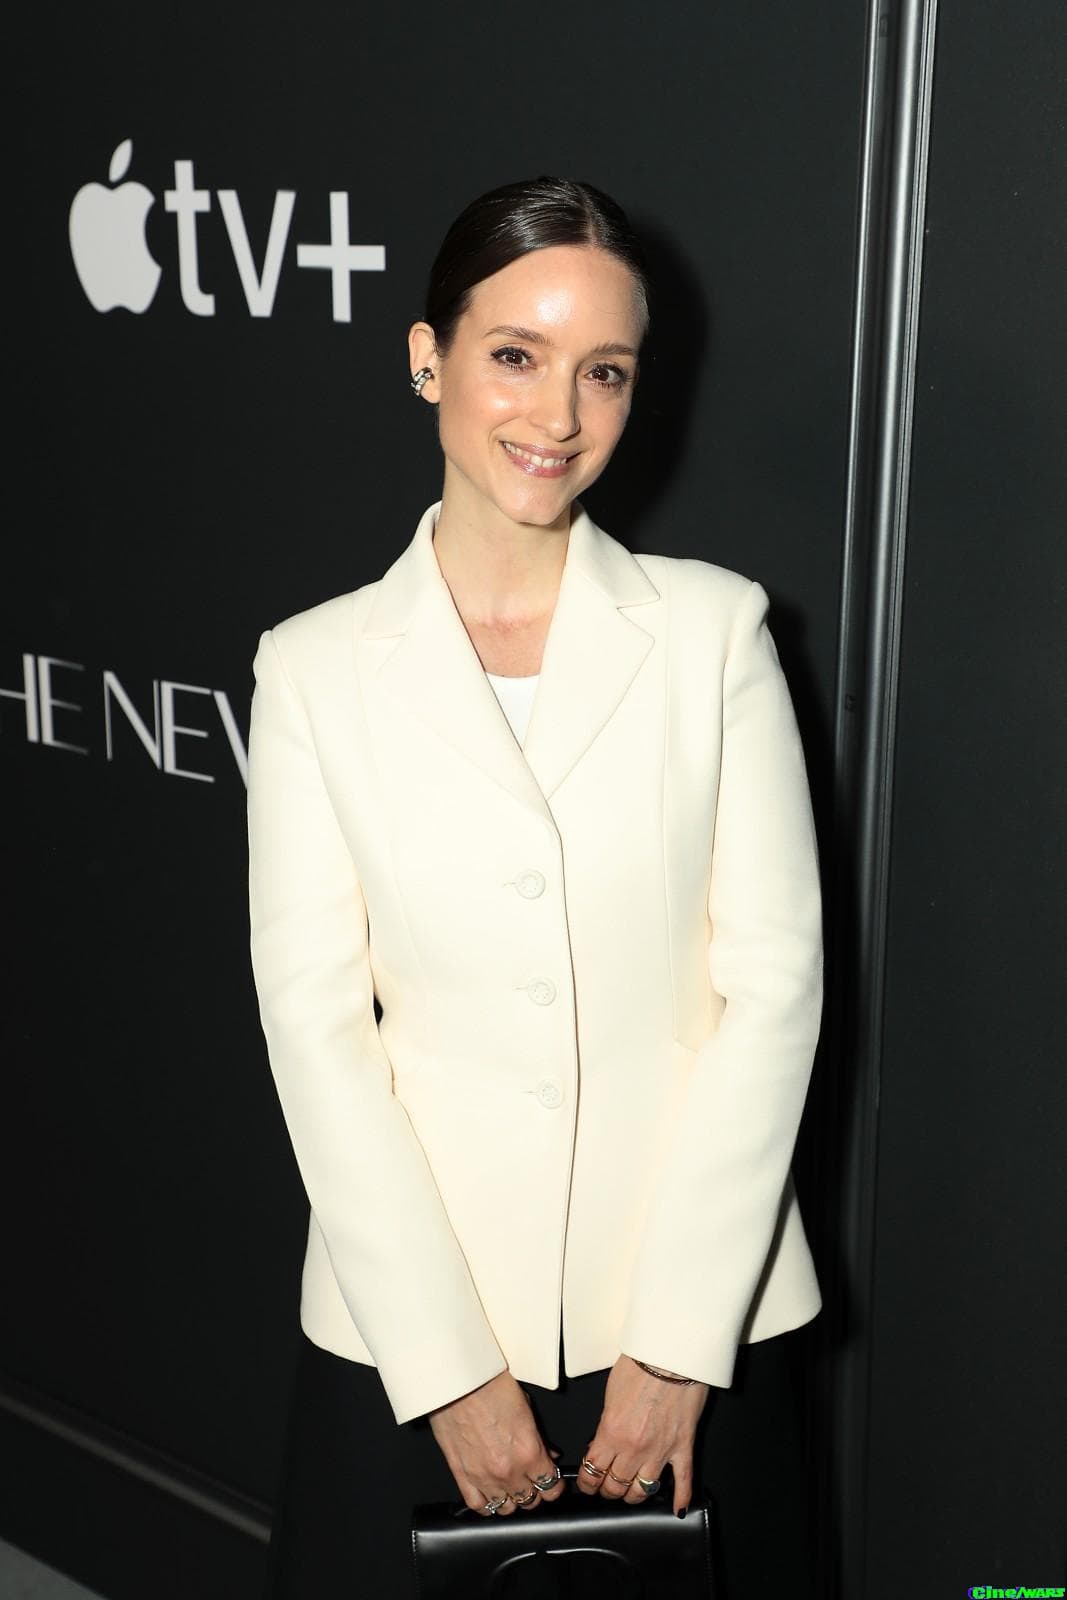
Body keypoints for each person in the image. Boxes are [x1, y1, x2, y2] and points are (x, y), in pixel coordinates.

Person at [247, 175, 823, 1598]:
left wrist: (680, 1344)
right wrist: (447, 1367)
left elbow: (774, 991)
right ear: (426, 357)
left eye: (603, 372)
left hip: (691, 1331)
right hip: (411, 1334)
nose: (558, 416)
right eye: (516, 354)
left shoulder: (714, 633)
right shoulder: (312, 669)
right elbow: (318, 1032)